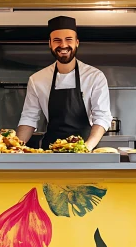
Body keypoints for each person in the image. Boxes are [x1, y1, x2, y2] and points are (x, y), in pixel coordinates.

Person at [16, 16, 111, 151]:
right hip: (50, 152)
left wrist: (85, 148)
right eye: (57, 40)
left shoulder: (94, 77)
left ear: (77, 42)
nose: (63, 45)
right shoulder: (37, 79)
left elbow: (102, 117)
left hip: (86, 149)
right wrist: (16, 148)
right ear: (50, 44)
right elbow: (29, 118)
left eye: (68, 39)